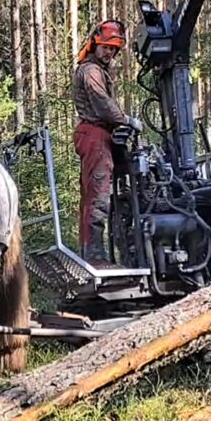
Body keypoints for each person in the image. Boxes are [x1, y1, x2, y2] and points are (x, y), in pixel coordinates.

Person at [72, 20, 141, 263]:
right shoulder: (90, 71)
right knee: (98, 196)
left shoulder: (97, 70)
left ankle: (95, 254)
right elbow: (102, 103)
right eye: (105, 47)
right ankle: (95, 258)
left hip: (98, 136)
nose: (109, 52)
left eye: (113, 49)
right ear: (94, 44)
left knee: (95, 195)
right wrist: (126, 119)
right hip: (95, 135)